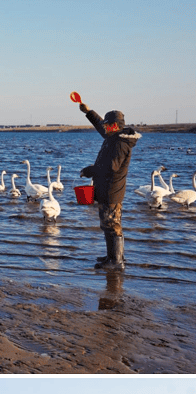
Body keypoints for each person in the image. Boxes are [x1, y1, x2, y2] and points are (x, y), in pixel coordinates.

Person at [76, 97, 141, 270]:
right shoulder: (115, 136)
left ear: (115, 125)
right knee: (108, 223)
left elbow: (111, 168)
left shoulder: (120, 143)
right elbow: (100, 127)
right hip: (108, 189)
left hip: (112, 190)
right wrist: (88, 112)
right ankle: (112, 256)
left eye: (107, 124)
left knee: (112, 225)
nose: (104, 126)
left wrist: (90, 170)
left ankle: (116, 261)